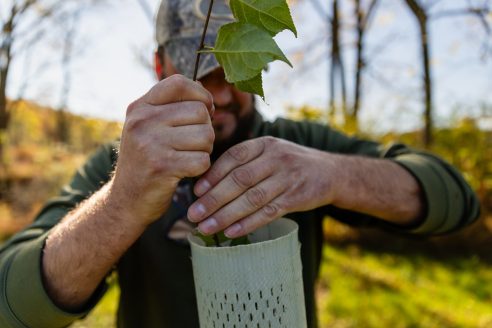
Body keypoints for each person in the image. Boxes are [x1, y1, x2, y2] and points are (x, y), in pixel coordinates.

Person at [0, 1, 480, 327]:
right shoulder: (121, 166)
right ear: (161, 66)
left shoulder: (297, 143)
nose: (224, 94)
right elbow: (11, 302)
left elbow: (455, 198)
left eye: (237, 70)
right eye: (204, 71)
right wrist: (122, 203)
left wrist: (333, 174)